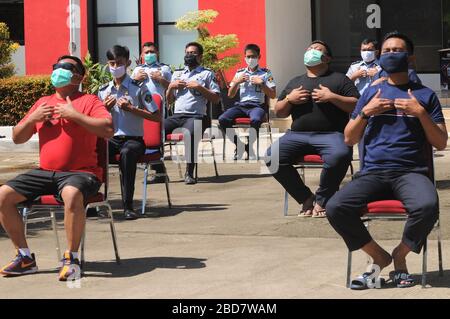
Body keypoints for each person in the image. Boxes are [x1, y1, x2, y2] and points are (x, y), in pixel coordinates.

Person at [326, 32, 448, 289]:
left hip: (411, 172)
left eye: (397, 50)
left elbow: (440, 142)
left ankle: (400, 256)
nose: (391, 54)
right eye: (387, 50)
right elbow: (349, 138)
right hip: (373, 173)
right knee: (336, 207)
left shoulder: (425, 95)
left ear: (410, 57)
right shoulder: (370, 93)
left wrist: (420, 113)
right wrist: (366, 113)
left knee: (427, 206)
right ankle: (378, 255)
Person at [0, 55, 114, 281]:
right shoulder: (43, 103)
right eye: (56, 67)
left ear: (79, 76)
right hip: (46, 172)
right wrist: (32, 118)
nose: (58, 71)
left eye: (66, 67)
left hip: (82, 173)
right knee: (3, 195)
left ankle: (71, 259)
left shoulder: (89, 100)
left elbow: (108, 129)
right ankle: (24, 258)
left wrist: (75, 115)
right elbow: (17, 138)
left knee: (71, 194)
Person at [266, 40, 359, 218]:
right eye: (309, 49)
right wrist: (289, 99)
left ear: (327, 58)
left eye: (317, 50)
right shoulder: (295, 81)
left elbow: (356, 105)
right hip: (297, 136)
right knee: (272, 156)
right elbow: (279, 112)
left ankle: (323, 200)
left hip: (332, 135)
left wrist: (332, 97)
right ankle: (306, 198)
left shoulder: (340, 79)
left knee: (340, 155)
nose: (311, 52)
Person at [98, 45, 161, 220]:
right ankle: (91, 199)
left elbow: (156, 117)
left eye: (119, 63)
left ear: (128, 63)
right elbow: (94, 118)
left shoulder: (138, 87)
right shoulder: (103, 90)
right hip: (111, 138)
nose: (115, 66)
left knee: (127, 153)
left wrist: (132, 109)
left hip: (133, 140)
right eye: (112, 63)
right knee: (93, 150)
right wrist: (104, 109)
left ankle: (128, 205)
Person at [152, 42, 221, 185]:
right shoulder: (177, 73)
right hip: (177, 116)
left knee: (190, 134)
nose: (189, 56)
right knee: (155, 131)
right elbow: (170, 101)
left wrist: (200, 88)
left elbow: (216, 99)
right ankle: (160, 172)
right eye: (187, 53)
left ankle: (189, 173)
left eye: (193, 53)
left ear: (200, 57)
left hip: (197, 116)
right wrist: (171, 87)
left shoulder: (207, 74)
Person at [218, 44, 276, 160]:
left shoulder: (266, 73)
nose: (250, 59)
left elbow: (273, 95)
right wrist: (237, 82)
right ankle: (239, 145)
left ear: (259, 56)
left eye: (253, 56)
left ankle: (249, 146)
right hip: (241, 106)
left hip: (257, 106)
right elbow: (230, 94)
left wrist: (262, 84)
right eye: (248, 56)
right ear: (244, 57)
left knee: (255, 120)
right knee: (222, 119)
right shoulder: (240, 73)